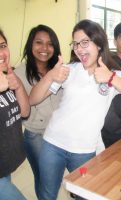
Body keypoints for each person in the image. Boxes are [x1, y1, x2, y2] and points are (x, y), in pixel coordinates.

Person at [29, 19, 121, 200]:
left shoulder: (114, 75)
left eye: (85, 42)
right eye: (76, 44)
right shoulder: (69, 69)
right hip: (53, 144)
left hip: (84, 151)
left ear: (99, 43)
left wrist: (111, 78)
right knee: (47, 195)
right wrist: (50, 76)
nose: (79, 48)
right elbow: (33, 99)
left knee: (86, 196)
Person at [14, 24, 63, 198]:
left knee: (54, 179)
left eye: (50, 44)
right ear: (30, 45)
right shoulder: (19, 73)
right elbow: (27, 103)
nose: (44, 48)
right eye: (39, 42)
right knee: (43, 179)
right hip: (37, 136)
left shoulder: (59, 70)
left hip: (59, 134)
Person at [0, 29, 30, 200]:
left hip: (5, 166)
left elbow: (24, 112)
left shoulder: (7, 76)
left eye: (3, 45)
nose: (1, 53)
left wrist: (17, 86)